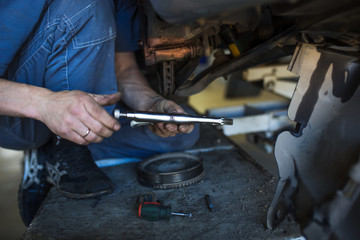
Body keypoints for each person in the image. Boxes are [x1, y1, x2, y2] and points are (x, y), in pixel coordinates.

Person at [0, 0, 199, 225]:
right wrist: (44, 104)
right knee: (84, 5)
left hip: (69, 112)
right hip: (18, 115)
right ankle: (64, 147)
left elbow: (124, 70)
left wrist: (151, 104)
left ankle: (52, 152)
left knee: (185, 134)